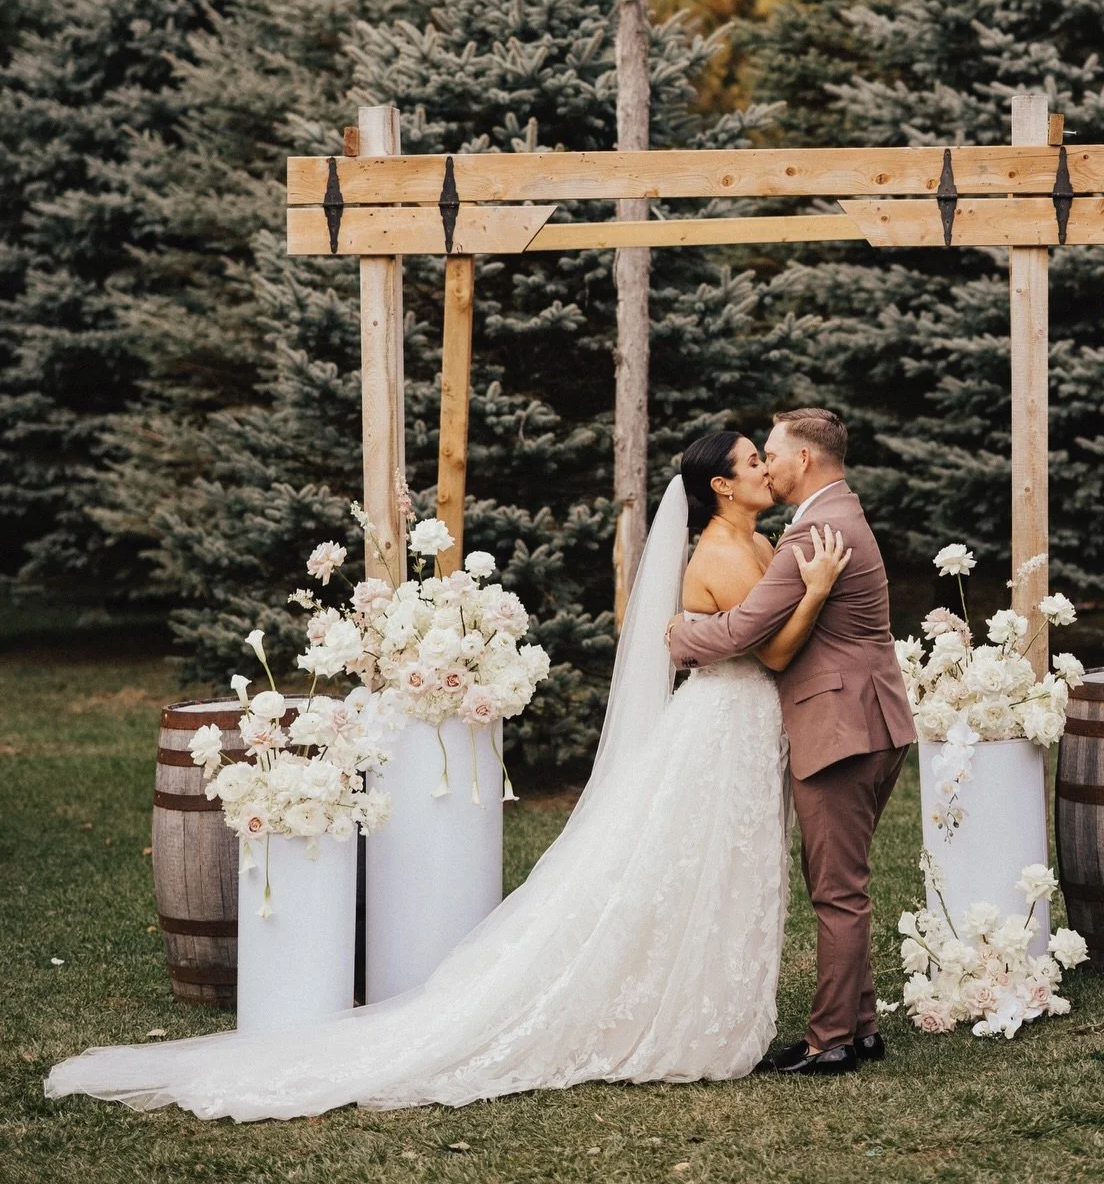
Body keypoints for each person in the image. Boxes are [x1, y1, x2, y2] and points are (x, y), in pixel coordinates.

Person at [45, 436, 847, 1121]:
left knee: (723, 867)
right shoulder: (718, 551)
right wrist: (811, 593)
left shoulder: (757, 541)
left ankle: (710, 1005)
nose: (767, 469)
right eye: (754, 461)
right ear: (721, 484)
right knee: (691, 863)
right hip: (721, 725)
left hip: (744, 726)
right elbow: (772, 650)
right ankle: (687, 1015)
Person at [668, 407, 916, 1077]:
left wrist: (683, 636)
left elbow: (747, 629)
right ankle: (858, 1028)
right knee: (843, 882)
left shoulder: (816, 532)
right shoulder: (833, 514)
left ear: (804, 459)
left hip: (840, 727)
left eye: (771, 454)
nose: (768, 465)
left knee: (837, 891)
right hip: (867, 719)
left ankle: (830, 1039)